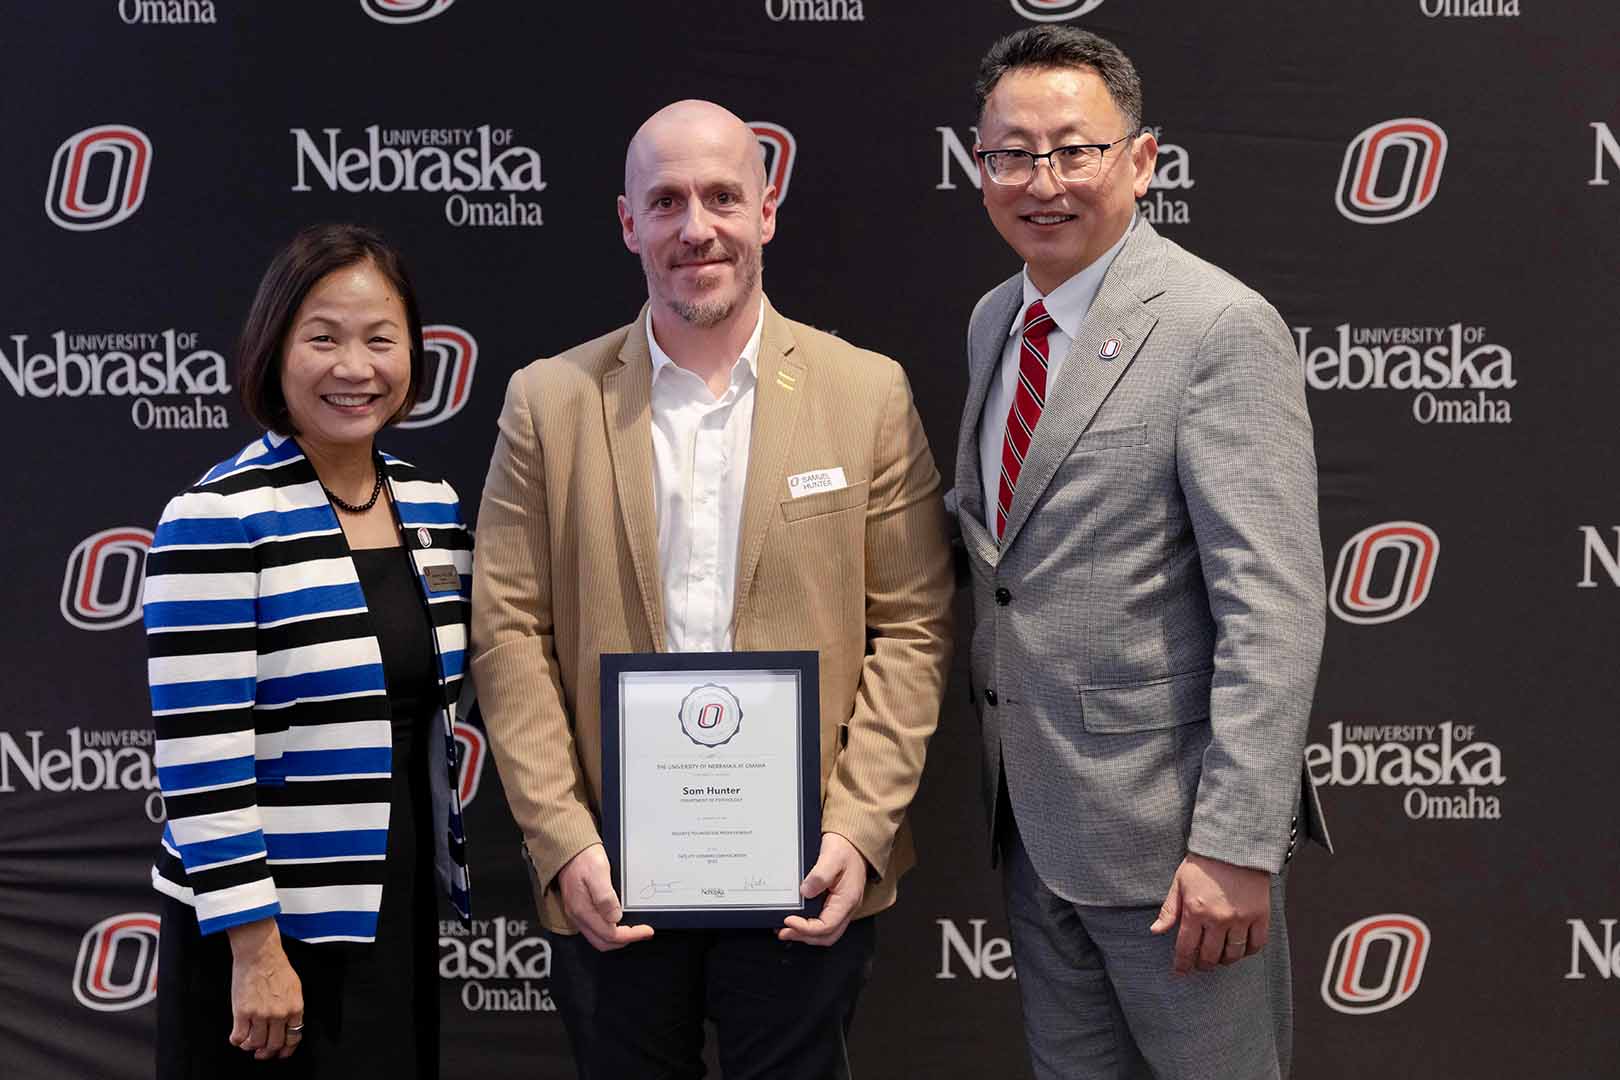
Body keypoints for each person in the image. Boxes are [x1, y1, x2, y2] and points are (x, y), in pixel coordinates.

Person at [471, 99, 952, 1079]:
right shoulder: (547, 402)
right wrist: (564, 842)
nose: (697, 228)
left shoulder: (865, 394)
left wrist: (858, 831)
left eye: (723, 197)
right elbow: (507, 631)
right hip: (610, 871)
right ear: (627, 223)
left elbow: (914, 630)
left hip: (806, 870)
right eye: (667, 201)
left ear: (767, 210)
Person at [952, 27, 1331, 1080]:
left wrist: (1237, 844)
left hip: (1179, 856)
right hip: (1036, 833)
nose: (1042, 181)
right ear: (977, 165)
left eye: (1073, 150)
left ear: (1142, 159)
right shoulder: (995, 321)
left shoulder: (1219, 328)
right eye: (1011, 154)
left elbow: (1276, 604)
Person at [143, 224, 472, 1078]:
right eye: (323, 337)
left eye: (380, 339)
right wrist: (255, 948)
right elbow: (198, 757)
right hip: (266, 926)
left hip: (387, 904)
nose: (354, 368)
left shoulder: (433, 507)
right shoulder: (217, 516)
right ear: (274, 348)